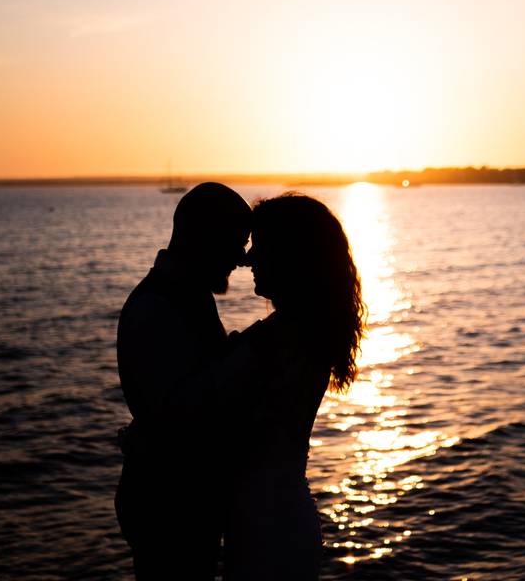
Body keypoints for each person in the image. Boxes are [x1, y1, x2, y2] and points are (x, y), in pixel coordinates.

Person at [218, 193, 365, 580]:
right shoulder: (302, 331)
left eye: (260, 246)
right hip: (274, 517)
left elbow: (228, 423)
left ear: (290, 255)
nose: (248, 258)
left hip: (269, 526)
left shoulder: (281, 339)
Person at [115, 182, 251, 580]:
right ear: (205, 238)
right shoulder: (157, 307)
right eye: (235, 243)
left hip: (182, 502)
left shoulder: (187, 296)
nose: (242, 259)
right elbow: (175, 412)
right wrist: (242, 360)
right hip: (167, 508)